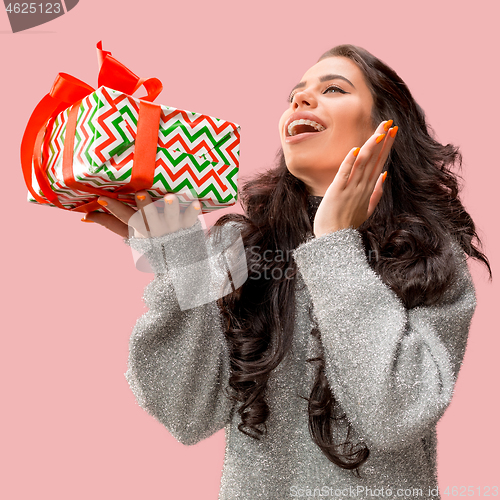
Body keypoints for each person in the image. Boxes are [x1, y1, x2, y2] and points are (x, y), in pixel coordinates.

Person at [82, 44, 491, 499]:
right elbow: (188, 413)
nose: (300, 100)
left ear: (385, 129)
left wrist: (333, 244)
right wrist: (180, 258)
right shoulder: (243, 249)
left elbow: (394, 414)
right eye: (295, 95)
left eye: (333, 88)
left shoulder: (431, 257)